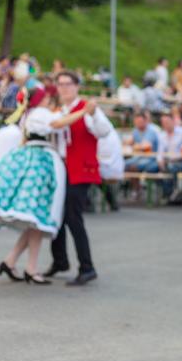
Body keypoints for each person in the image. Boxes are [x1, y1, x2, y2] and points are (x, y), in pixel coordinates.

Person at [0, 88, 95, 284]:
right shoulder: (40, 113)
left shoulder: (30, 114)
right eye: (46, 97)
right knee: (35, 218)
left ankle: (13, 262)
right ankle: (29, 268)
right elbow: (57, 123)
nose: (49, 99)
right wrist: (83, 111)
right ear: (39, 100)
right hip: (40, 164)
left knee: (33, 221)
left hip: (34, 159)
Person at [46, 70, 114, 286]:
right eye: (61, 84)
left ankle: (87, 267)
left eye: (68, 84)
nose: (64, 88)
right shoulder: (60, 111)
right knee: (57, 214)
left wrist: (92, 114)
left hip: (81, 169)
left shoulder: (86, 108)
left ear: (76, 86)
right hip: (63, 169)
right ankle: (60, 260)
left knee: (73, 217)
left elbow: (104, 131)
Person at [96, 128, 124, 212]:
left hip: (108, 169)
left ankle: (88, 203)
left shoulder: (102, 135)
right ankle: (112, 202)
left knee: (94, 177)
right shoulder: (112, 133)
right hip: (110, 168)